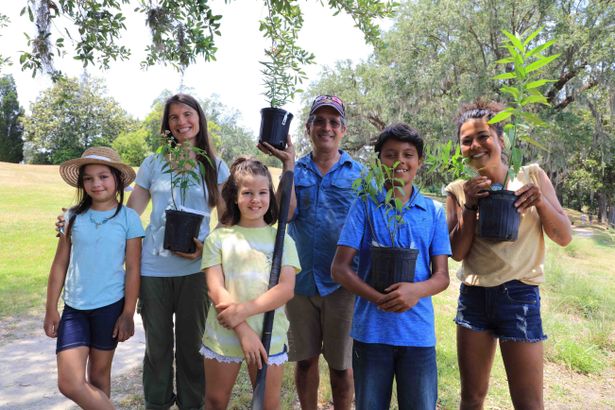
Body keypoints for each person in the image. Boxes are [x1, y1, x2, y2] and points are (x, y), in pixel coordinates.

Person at [57, 94, 230, 409]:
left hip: (195, 271)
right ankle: (157, 403)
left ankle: (192, 404)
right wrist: (77, 215)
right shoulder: (154, 162)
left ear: (199, 119)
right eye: (173, 117)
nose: (181, 122)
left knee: (192, 348)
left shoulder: (214, 166)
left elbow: (227, 220)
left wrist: (207, 250)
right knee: (158, 347)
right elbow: (129, 212)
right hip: (152, 269)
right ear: (167, 126)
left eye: (187, 114)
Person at [445, 101, 572, 409]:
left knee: (528, 403)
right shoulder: (458, 190)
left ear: (502, 141)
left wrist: (539, 202)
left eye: (483, 136)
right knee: (472, 398)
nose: (475, 145)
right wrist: (470, 206)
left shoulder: (532, 176)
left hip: (520, 296)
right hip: (474, 297)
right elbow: (457, 253)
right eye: (466, 141)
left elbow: (564, 236)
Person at [332, 123, 451, 410]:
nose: (399, 161)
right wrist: (378, 298)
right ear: (379, 161)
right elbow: (340, 268)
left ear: (419, 162)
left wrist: (415, 291)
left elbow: (442, 276)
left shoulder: (433, 211)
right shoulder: (365, 206)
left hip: (418, 334)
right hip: (372, 333)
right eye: (390, 154)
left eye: (408, 154)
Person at [260, 95, 362, 409]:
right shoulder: (297, 169)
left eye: (334, 122)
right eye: (320, 121)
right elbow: (285, 214)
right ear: (308, 128)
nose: (326, 127)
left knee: (341, 366)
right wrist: (287, 166)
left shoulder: (359, 174)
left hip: (342, 285)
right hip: (302, 282)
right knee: (304, 361)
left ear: (343, 130)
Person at [44, 147, 144, 409]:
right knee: (69, 382)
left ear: (117, 180)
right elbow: (59, 265)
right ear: (82, 183)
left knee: (99, 378)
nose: (96, 183)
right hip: (75, 309)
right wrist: (50, 308)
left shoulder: (129, 219)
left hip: (110, 307)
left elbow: (133, 268)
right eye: (88, 178)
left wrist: (127, 313)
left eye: (103, 176)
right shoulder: (71, 217)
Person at [200, 157, 300, 410]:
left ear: (271, 195)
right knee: (215, 401)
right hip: (225, 333)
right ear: (235, 196)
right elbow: (215, 289)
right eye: (247, 193)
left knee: (268, 404)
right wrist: (243, 329)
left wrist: (242, 311)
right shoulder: (219, 238)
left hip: (269, 335)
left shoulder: (282, 240)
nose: (256, 199)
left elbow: (286, 289)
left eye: (263, 192)